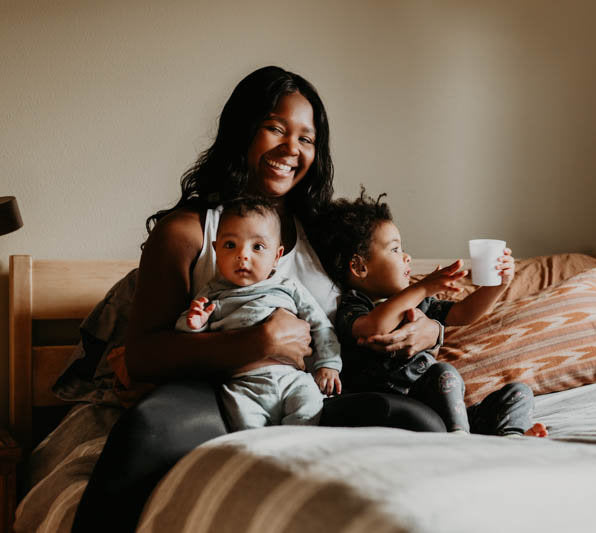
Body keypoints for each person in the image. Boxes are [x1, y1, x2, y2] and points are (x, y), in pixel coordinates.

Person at [72, 66, 446, 533]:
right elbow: (146, 355)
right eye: (276, 128)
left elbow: (378, 300)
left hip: (310, 395)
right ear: (243, 131)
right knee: (147, 429)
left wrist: (430, 329)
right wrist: (257, 341)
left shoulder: (323, 233)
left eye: (307, 139)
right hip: (215, 395)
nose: (292, 148)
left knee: (419, 422)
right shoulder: (188, 231)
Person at [313, 189, 549, 437]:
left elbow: (464, 313)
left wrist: (499, 284)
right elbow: (374, 326)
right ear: (360, 266)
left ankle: (511, 437)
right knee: (443, 372)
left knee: (520, 392)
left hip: (447, 409)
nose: (407, 256)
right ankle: (460, 439)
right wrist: (423, 287)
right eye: (394, 250)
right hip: (399, 411)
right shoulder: (355, 304)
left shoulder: (421, 301)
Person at [176, 196, 342, 429]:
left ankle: (294, 452)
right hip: (242, 385)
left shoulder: (288, 286)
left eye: (258, 247)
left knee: (309, 409)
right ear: (215, 250)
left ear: (277, 256)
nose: (243, 255)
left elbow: (320, 324)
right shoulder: (212, 293)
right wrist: (194, 323)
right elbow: (189, 340)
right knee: (247, 430)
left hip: (292, 378)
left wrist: (329, 363)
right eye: (230, 245)